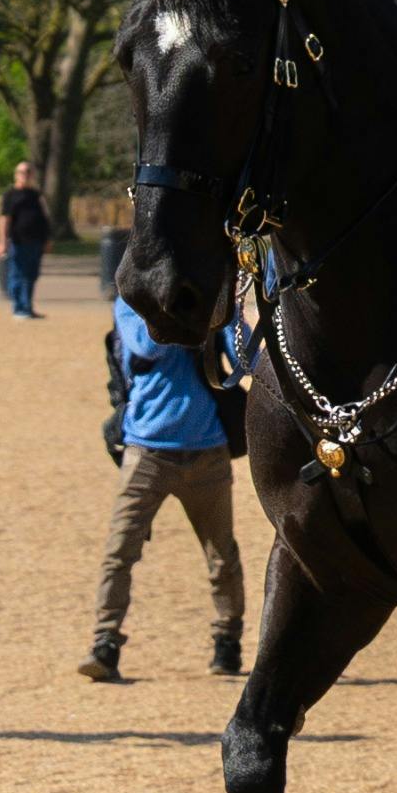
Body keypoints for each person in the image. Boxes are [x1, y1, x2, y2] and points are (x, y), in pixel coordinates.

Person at [85, 291, 248, 681]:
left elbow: (241, 358)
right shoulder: (130, 305)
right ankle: (105, 642)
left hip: (207, 451)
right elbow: (146, 345)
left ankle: (228, 639)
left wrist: (229, 308)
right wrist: (181, 306)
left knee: (221, 554)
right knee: (119, 551)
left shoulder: (209, 303)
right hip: (145, 452)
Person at [0, 162, 52, 320]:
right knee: (17, 274)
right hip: (17, 241)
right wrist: (2, 241)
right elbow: (4, 219)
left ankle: (27, 306)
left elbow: (44, 218)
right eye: (22, 172)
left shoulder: (36, 195)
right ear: (16, 174)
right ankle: (18, 307)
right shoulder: (10, 195)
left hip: (36, 241)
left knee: (32, 275)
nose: (25, 175)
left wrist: (47, 238)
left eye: (28, 172)